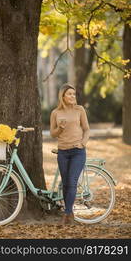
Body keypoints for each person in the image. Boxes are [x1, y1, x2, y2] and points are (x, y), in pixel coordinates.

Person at [50, 83, 90, 225]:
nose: (73, 96)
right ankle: (69, 213)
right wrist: (60, 129)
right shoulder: (55, 113)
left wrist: (83, 143)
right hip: (63, 152)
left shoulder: (80, 110)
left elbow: (86, 129)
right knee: (66, 184)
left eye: (74, 94)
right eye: (69, 94)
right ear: (63, 96)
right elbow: (52, 133)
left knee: (72, 181)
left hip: (77, 152)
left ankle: (66, 214)